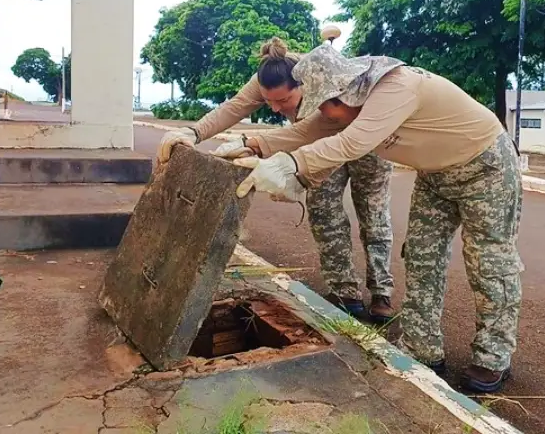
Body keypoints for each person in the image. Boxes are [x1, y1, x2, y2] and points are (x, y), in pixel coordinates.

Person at [228, 43, 524, 394]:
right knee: (420, 258)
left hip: (485, 167)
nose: (324, 113)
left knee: (489, 261)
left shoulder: (395, 88)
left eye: (325, 106)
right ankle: (422, 348)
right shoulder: (348, 100)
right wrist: (255, 146)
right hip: (435, 174)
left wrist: (290, 164)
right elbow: (306, 132)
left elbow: (352, 142)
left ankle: (493, 356)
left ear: (343, 92)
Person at [155, 37, 397, 324]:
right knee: (323, 211)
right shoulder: (267, 78)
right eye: (269, 101)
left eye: (283, 101)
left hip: (365, 141)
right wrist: (193, 133)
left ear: (304, 86)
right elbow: (233, 108)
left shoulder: (320, 75)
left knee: (373, 212)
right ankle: (344, 292)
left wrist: (268, 151)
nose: (276, 109)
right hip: (316, 147)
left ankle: (381, 291)